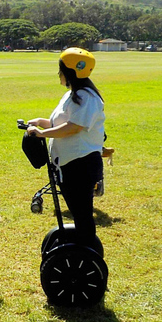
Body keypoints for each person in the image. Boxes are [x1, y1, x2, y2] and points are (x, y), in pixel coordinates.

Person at [26, 47, 105, 245]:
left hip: (82, 164)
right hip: (68, 164)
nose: (58, 74)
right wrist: (40, 122)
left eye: (61, 70)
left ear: (71, 72)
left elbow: (73, 128)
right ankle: (81, 247)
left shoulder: (88, 98)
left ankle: (86, 252)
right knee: (78, 212)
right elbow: (59, 123)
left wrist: (43, 133)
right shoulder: (71, 95)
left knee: (82, 213)